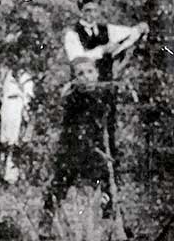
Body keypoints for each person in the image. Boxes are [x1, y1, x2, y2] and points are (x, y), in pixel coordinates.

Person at [61, 0, 148, 162]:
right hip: (84, 90)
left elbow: (130, 32)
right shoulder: (72, 33)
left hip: (106, 88)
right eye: (87, 10)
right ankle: (80, 168)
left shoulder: (106, 29)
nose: (91, 15)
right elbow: (77, 58)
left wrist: (139, 28)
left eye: (95, 10)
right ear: (81, 12)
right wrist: (103, 50)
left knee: (108, 125)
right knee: (82, 128)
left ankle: (109, 169)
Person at [41, 56, 116, 229]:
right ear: (75, 79)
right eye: (80, 74)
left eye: (90, 72)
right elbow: (73, 128)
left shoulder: (101, 98)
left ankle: (110, 226)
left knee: (106, 186)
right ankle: (46, 223)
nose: (86, 77)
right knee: (60, 185)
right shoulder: (73, 98)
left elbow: (104, 128)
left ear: (97, 73)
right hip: (73, 150)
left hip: (96, 150)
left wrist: (105, 150)